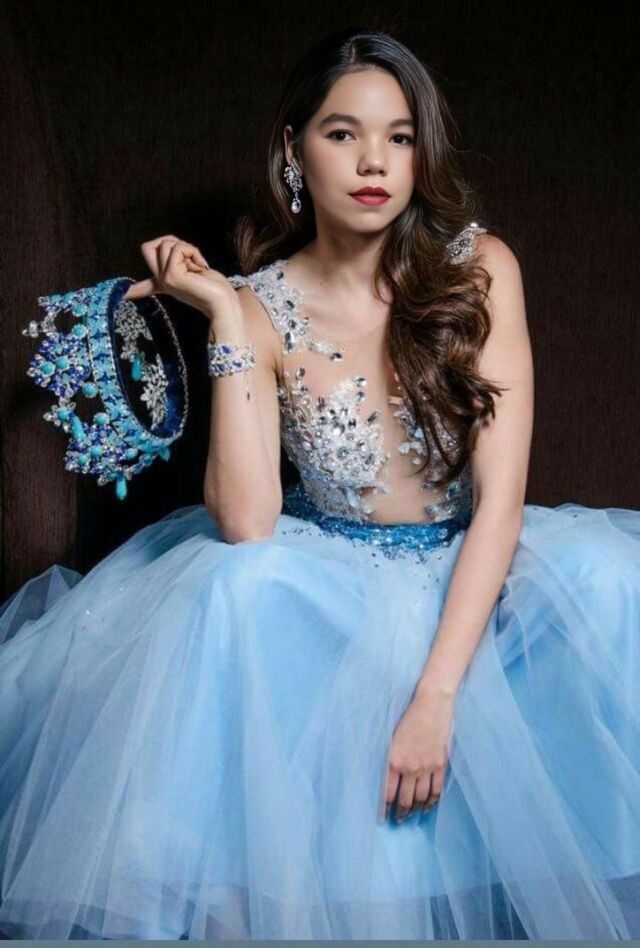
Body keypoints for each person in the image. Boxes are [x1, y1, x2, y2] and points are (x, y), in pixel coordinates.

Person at [1, 25, 639, 942]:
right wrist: (226, 315)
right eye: (343, 133)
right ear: (295, 151)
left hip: (473, 562)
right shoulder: (261, 304)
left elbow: (500, 503)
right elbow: (247, 520)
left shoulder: (478, 270)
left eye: (399, 137)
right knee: (234, 586)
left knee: (612, 581)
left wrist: (435, 697)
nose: (375, 161)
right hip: (329, 581)